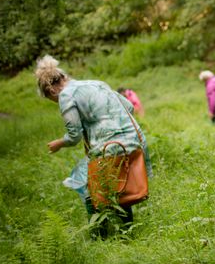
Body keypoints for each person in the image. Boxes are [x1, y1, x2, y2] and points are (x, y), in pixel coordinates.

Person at [36, 55, 152, 236]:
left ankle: (99, 236)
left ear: (51, 90)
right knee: (118, 187)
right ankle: (128, 232)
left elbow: (74, 135)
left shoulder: (66, 95)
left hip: (109, 146)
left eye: (52, 100)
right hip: (133, 139)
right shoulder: (96, 83)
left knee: (86, 186)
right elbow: (128, 106)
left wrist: (59, 143)